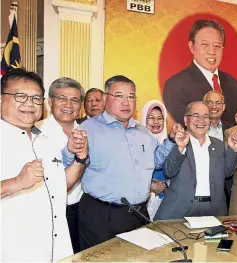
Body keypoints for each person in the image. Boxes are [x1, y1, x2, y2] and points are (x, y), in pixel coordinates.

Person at [62, 75, 179, 250]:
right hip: (102, 215)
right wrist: (70, 149)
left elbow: (155, 162)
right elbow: (68, 163)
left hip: (139, 214)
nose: (126, 102)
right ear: (105, 98)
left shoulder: (143, 131)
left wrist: (171, 140)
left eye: (131, 97)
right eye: (119, 96)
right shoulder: (88, 129)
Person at [1, 68, 87, 261]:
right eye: (20, 96)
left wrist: (80, 159)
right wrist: (17, 182)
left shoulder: (45, 142)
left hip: (56, 249)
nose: (29, 104)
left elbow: (58, 187)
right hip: (13, 253)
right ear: (1, 99)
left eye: (35, 98)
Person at [155, 102, 237, 220]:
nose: (201, 120)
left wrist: (233, 149)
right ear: (186, 120)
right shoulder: (178, 141)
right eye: (196, 116)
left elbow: (227, 173)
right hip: (180, 208)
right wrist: (180, 148)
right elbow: (168, 172)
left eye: (205, 116)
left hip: (213, 209)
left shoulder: (218, 144)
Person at [163, 19, 237, 127]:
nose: (212, 51)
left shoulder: (234, 85)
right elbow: (182, 126)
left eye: (217, 45)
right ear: (192, 46)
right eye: (205, 44)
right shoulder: (175, 85)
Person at [37, 77, 85, 253]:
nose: (68, 104)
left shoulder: (88, 130)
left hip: (83, 212)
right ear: (50, 102)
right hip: (49, 212)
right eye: (61, 98)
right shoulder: (36, 132)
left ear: (80, 105)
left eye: (74, 100)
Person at [141, 100, 168, 219]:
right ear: (144, 119)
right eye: (151, 117)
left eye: (160, 118)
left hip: (167, 199)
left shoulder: (172, 143)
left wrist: (166, 185)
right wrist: (149, 185)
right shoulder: (136, 142)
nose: (155, 122)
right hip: (142, 200)